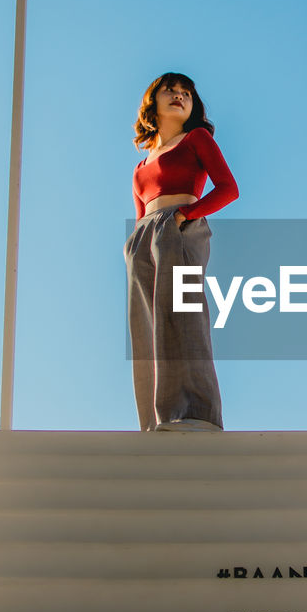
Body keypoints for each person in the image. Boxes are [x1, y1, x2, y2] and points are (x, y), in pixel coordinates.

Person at [124, 72, 239, 432]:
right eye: (170, 90)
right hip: (144, 236)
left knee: (184, 316)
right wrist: (133, 245)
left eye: (186, 92)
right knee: (146, 325)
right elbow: (141, 211)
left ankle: (194, 414)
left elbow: (228, 188)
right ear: (152, 102)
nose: (179, 96)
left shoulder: (196, 139)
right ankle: (157, 420)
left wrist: (185, 216)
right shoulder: (140, 167)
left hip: (181, 228)